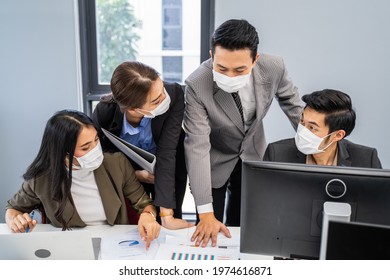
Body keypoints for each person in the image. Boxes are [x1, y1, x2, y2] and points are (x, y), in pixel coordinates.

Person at [183, 19, 304, 247]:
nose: (229, 75)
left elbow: (292, 103)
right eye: (221, 68)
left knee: (245, 228)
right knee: (210, 231)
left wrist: (313, 140)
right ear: (212, 55)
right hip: (213, 159)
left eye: (239, 69)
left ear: (255, 59)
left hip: (251, 152)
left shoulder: (274, 66)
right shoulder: (197, 84)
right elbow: (197, 145)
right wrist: (205, 212)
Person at [5, 110, 160, 249]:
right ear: (63, 153)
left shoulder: (116, 163)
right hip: (69, 247)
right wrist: (14, 220)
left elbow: (144, 203)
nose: (96, 150)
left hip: (116, 245)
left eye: (96, 140)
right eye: (85, 148)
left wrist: (148, 215)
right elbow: (13, 208)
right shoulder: (41, 179)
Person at [92, 61, 193, 230]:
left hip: (170, 167)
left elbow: (168, 151)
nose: (164, 99)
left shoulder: (173, 94)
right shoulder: (105, 113)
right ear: (133, 109)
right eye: (155, 100)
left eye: (162, 90)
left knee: (170, 222)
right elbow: (102, 157)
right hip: (131, 174)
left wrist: (167, 216)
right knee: (139, 222)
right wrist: (135, 175)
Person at [263, 89, 382, 168]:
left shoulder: (366, 160)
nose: (303, 131)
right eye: (302, 121)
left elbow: (378, 204)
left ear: (337, 135)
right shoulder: (276, 155)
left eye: (312, 127)